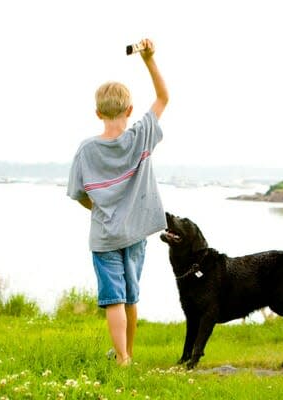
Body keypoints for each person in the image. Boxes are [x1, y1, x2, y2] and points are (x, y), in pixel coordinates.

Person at [67, 38, 168, 366]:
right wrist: (149, 59)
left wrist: (98, 209)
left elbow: (80, 195)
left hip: (105, 236)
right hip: (136, 234)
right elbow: (164, 98)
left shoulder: (86, 150)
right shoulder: (141, 136)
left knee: (114, 298)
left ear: (97, 113)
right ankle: (129, 355)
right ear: (129, 110)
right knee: (131, 296)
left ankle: (122, 356)